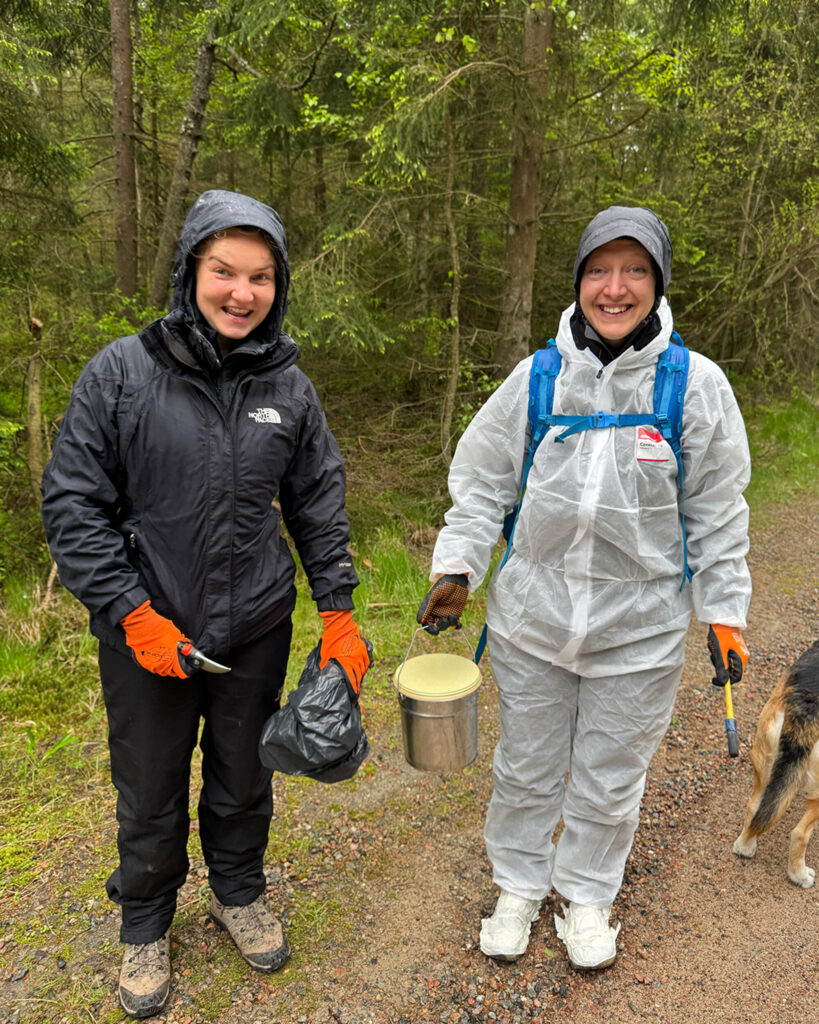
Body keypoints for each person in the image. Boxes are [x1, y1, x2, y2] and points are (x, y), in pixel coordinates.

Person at [41, 189, 372, 1018]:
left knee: (242, 778)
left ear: (277, 287)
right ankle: (145, 924)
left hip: (254, 623)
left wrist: (338, 611)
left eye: (260, 277)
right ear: (191, 270)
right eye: (224, 270)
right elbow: (72, 505)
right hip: (148, 634)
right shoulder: (121, 373)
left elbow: (317, 502)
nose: (241, 292)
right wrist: (130, 612)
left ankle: (238, 892)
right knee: (149, 787)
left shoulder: (287, 387)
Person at [416, 206, 751, 971]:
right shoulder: (538, 377)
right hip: (532, 620)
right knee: (525, 766)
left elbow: (717, 508)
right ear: (577, 281)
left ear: (657, 283)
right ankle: (518, 887)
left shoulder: (693, 385)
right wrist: (457, 566)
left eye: (634, 270)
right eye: (599, 269)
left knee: (611, 773)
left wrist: (724, 613)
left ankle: (587, 896)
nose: (614, 287)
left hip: (640, 629)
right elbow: (481, 482)